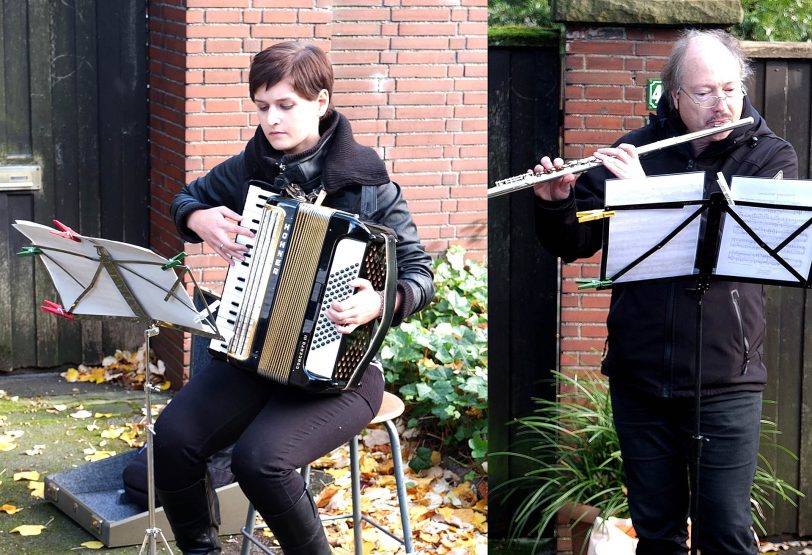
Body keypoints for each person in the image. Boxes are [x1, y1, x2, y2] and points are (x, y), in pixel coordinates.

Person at [155, 41, 435, 555]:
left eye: (286, 105)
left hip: (342, 374)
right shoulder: (251, 167)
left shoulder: (368, 182)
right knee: (172, 439)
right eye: (262, 107)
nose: (272, 120)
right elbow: (185, 198)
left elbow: (420, 274)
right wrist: (199, 219)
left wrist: (380, 303)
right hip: (254, 357)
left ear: (321, 101)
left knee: (260, 461)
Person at [533, 29, 798, 555]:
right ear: (673, 95)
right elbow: (574, 241)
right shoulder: (636, 151)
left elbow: (729, 252)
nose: (721, 104)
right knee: (657, 536)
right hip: (641, 374)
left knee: (726, 534)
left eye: (729, 88)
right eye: (703, 92)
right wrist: (554, 202)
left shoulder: (769, 157)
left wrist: (642, 197)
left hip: (727, 376)